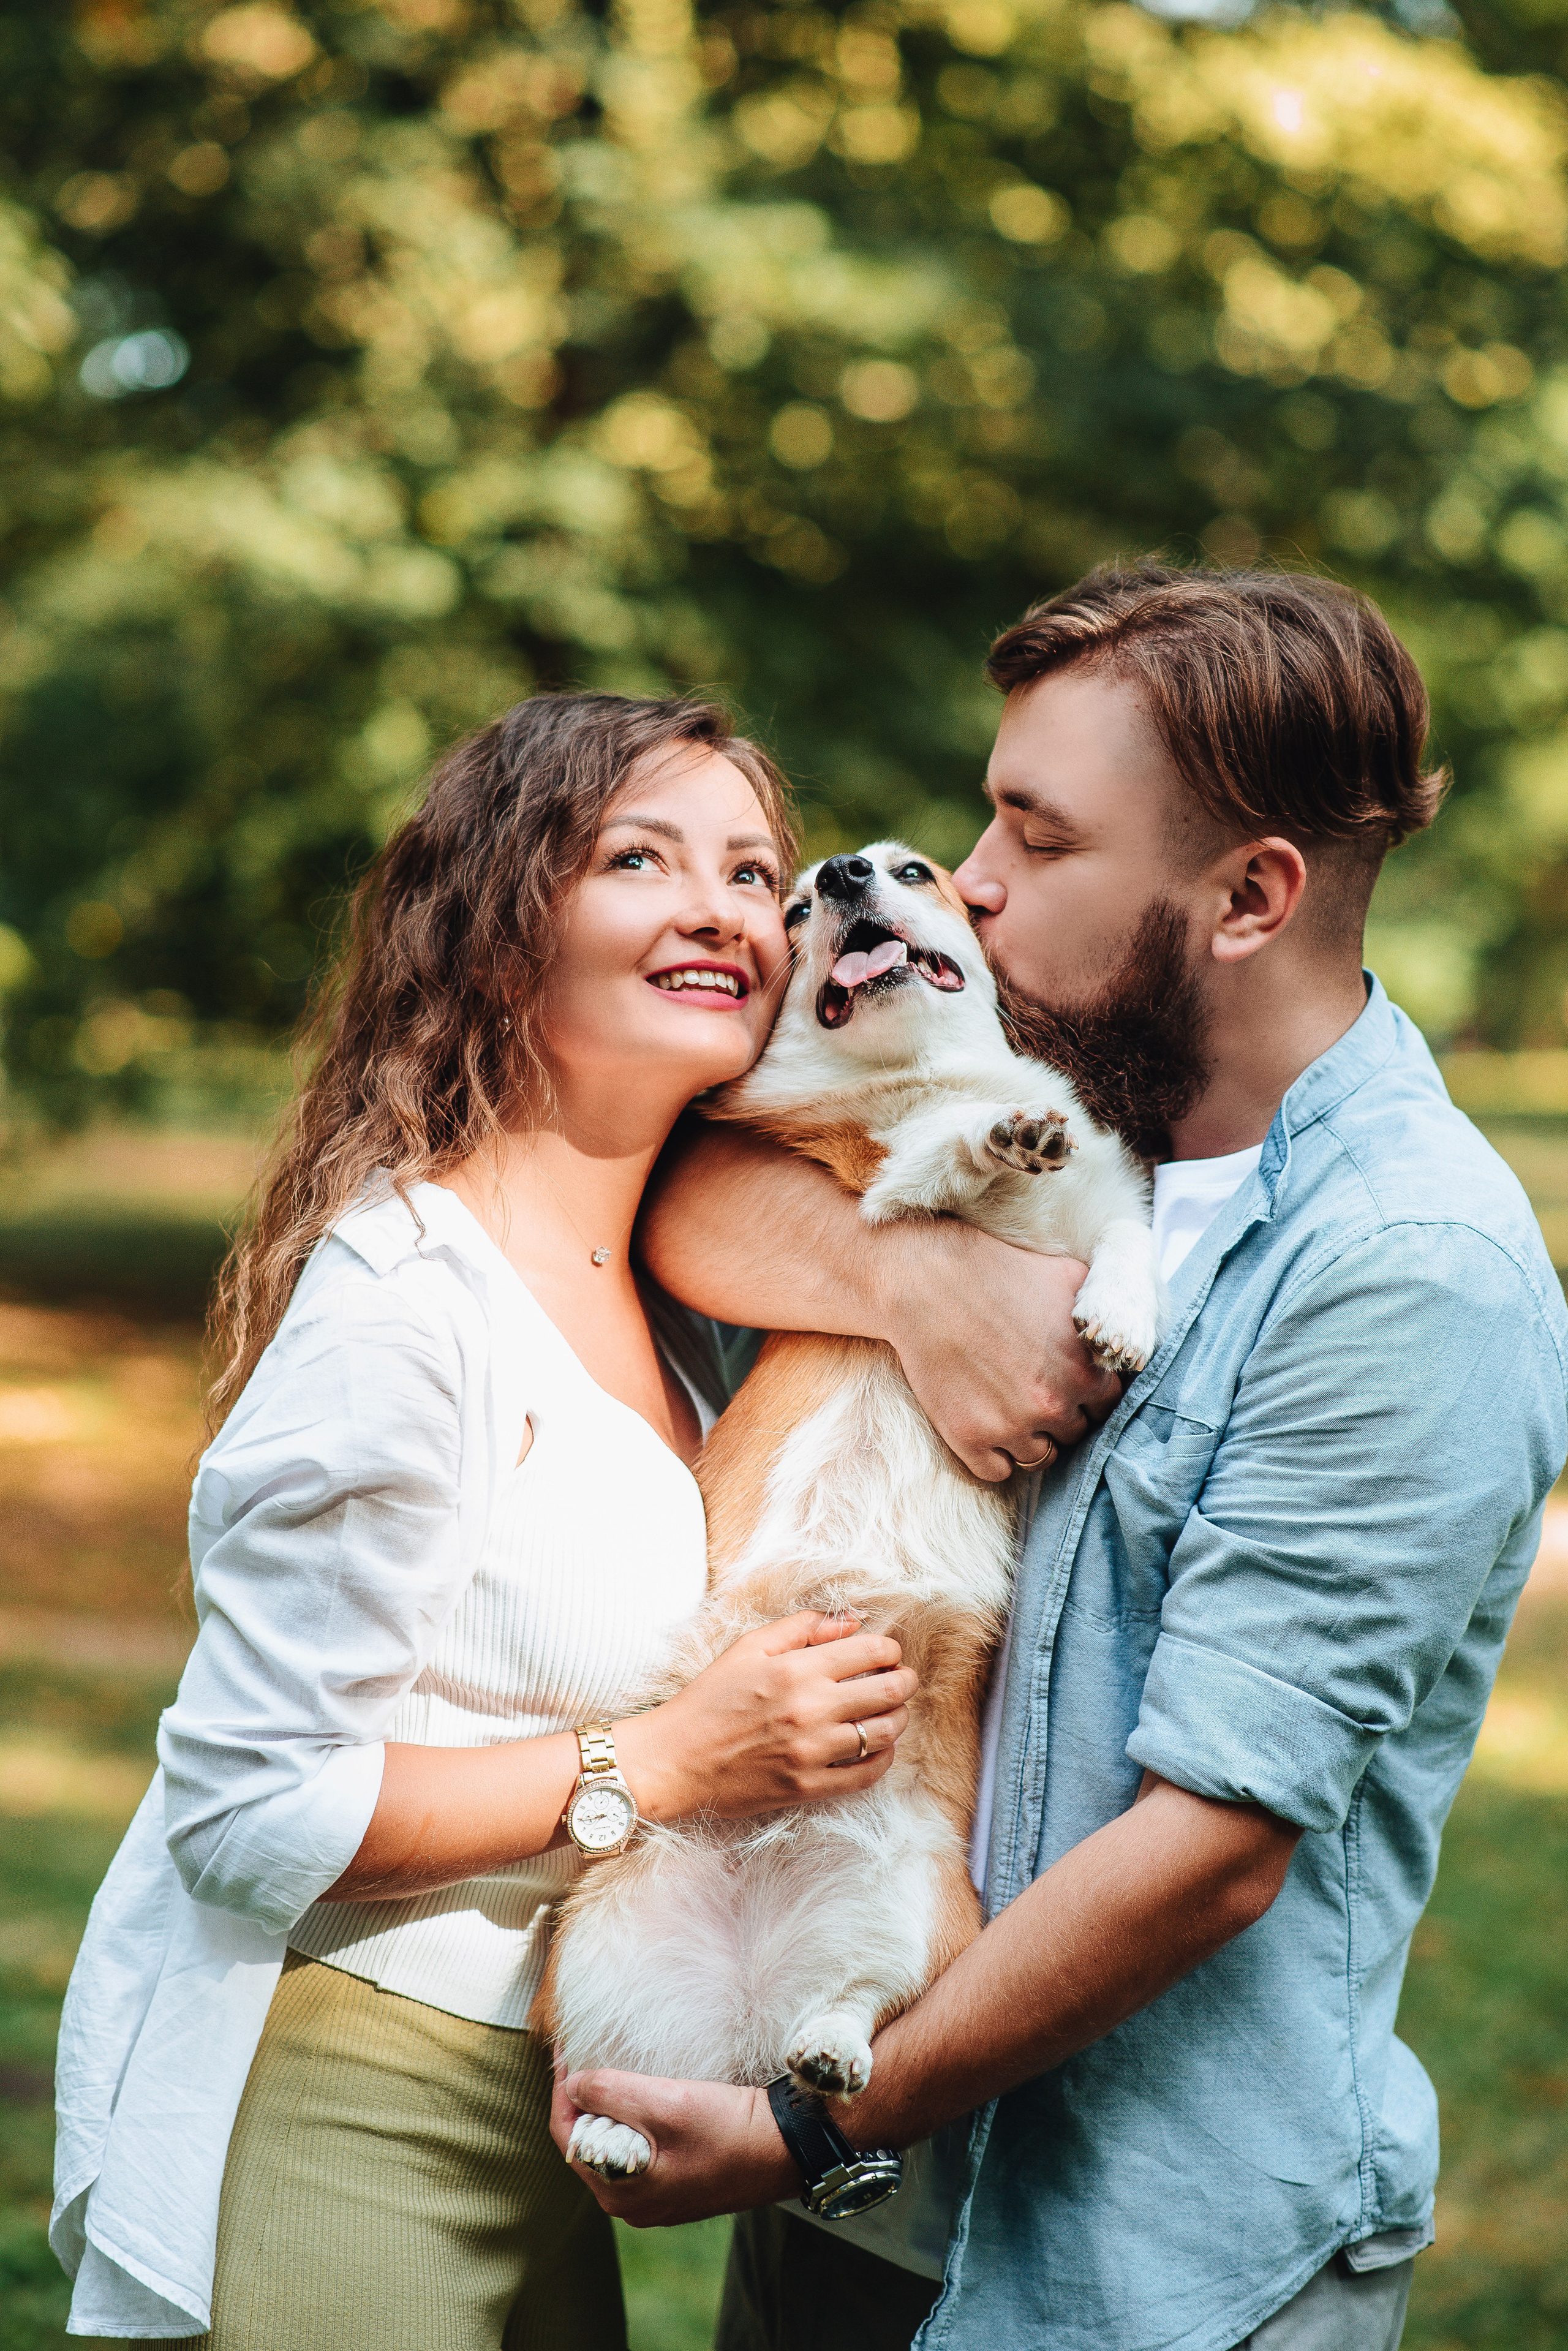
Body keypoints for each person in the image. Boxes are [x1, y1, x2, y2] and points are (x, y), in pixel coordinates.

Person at [549, 566, 1568, 2351]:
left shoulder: (1407, 1270)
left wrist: (820, 2117)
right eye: (986, 814)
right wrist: (900, 1278)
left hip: (1134, 2259)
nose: (978, 879)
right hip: (858, 2207)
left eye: (1036, 833)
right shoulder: (1040, 1090)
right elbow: (685, 1187)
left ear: (1248, 897)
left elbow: (1213, 1843)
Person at [49, 693, 924, 2350]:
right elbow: (242, 1812)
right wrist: (663, 1762)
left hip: (543, 2105)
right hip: (344, 2096)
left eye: (753, 872)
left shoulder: (681, 1300)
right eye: (641, 858)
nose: (723, 909)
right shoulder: (406, 1309)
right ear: (505, 922)